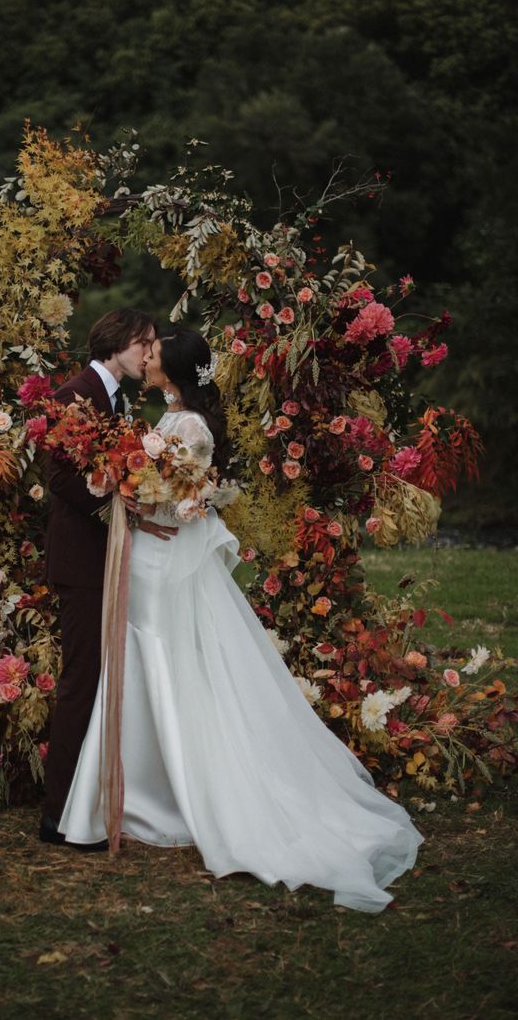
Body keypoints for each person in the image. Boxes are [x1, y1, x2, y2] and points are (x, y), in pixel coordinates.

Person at [57, 327, 424, 912]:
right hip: (146, 556)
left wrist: (130, 488)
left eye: (153, 353)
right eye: (144, 350)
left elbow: (181, 504)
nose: (146, 358)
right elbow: (169, 492)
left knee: (163, 663)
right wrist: (123, 482)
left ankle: (171, 797)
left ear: (173, 369)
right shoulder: (171, 421)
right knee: (142, 665)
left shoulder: (190, 428)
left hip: (160, 561)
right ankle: (137, 795)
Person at [40, 307, 166, 848]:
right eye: (145, 344)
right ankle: (56, 816)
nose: (149, 354)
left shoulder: (115, 399)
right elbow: (60, 478)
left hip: (107, 558)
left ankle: (87, 804)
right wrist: (117, 510)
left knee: (99, 680)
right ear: (118, 343)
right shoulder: (77, 394)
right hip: (83, 562)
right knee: (80, 681)